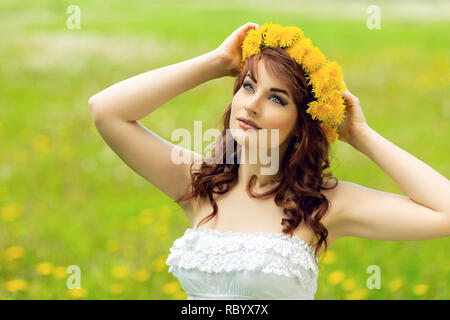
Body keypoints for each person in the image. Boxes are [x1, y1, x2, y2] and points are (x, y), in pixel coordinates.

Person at [88, 22, 450, 300]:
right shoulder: (199, 183)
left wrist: (360, 135)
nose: (252, 104)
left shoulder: (323, 205)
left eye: (276, 99)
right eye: (248, 86)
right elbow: (106, 111)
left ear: (300, 125)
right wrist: (217, 62)